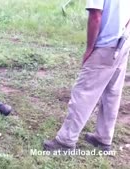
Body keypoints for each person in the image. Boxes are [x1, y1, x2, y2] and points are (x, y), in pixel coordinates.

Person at [44, 0, 130, 151]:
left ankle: (65, 142)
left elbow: (96, 15)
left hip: (105, 46)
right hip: (123, 43)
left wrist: (90, 48)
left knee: (83, 93)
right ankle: (103, 138)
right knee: (112, 93)